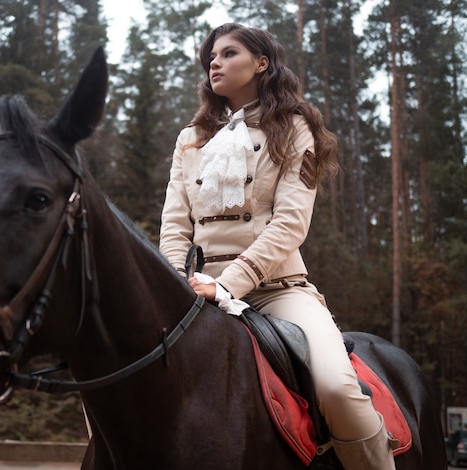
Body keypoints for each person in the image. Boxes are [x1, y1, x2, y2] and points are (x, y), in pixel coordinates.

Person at [159, 23, 397, 470]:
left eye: (228, 53)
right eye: (211, 55)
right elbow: (174, 225)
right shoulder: (189, 138)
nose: (215, 61)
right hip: (194, 291)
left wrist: (228, 284)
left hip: (278, 288)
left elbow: (290, 224)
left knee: (335, 389)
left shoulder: (295, 127)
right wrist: (175, 281)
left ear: (261, 63)